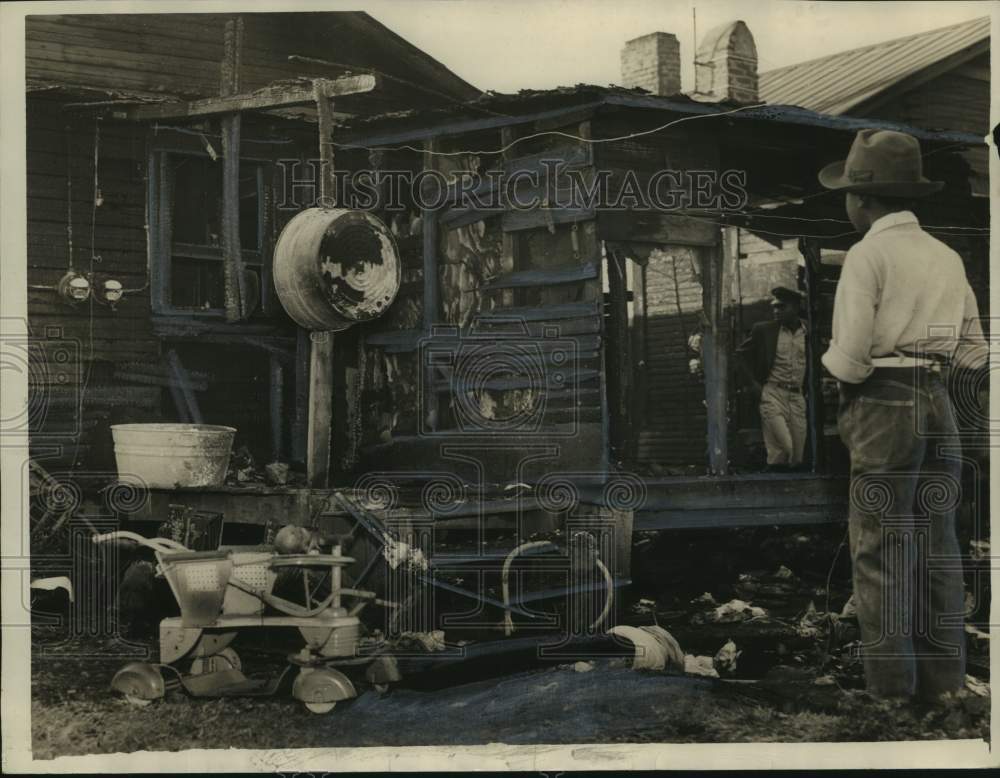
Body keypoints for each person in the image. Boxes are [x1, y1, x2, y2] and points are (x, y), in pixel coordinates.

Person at [819, 128, 988, 703]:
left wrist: (835, 366)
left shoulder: (868, 255)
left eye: (847, 192)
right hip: (940, 403)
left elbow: (851, 359)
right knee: (939, 544)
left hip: (885, 400)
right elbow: (974, 351)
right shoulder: (946, 255)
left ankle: (890, 691)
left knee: (880, 547)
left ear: (863, 200)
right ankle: (945, 686)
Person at [737, 286, 808, 470]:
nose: (776, 311)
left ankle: (780, 486)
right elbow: (740, 356)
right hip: (772, 394)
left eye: (782, 307)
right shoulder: (764, 330)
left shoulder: (808, 332)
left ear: (796, 307)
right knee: (787, 446)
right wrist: (753, 384)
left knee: (797, 456)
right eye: (774, 307)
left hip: (798, 397)